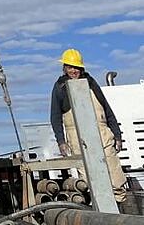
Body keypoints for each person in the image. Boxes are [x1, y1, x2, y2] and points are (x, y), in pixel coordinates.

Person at [50, 48, 129, 207]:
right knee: (89, 182)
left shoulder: (91, 83)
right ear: (64, 68)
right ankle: (98, 216)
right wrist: (61, 141)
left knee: (116, 179)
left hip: (103, 136)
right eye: (70, 67)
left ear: (82, 67)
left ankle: (122, 215)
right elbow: (55, 117)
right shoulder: (60, 87)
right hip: (78, 140)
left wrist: (117, 135)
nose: (74, 71)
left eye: (77, 67)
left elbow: (107, 111)